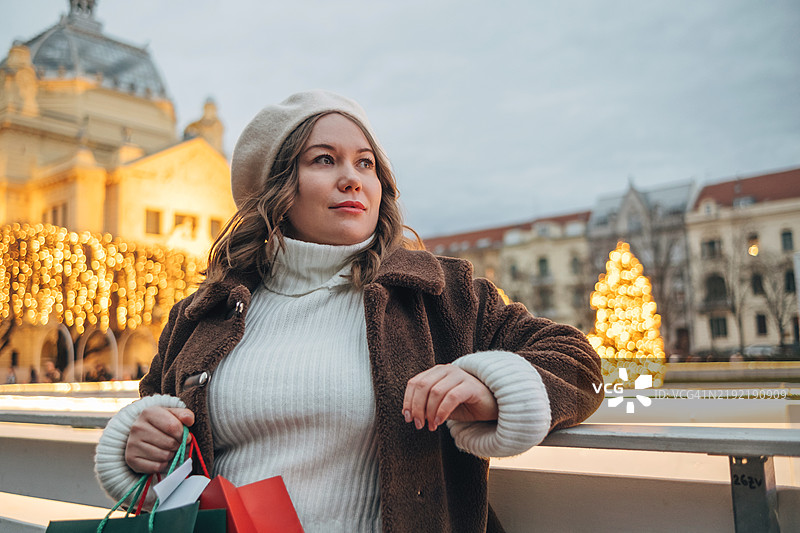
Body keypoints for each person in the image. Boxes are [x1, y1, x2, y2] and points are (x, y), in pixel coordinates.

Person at [94, 90, 603, 532]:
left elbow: (580, 363)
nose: (352, 179)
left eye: (366, 163)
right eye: (323, 160)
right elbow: (157, 432)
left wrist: (493, 385)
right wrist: (137, 447)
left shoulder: (439, 293)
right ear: (276, 188)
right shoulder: (204, 312)